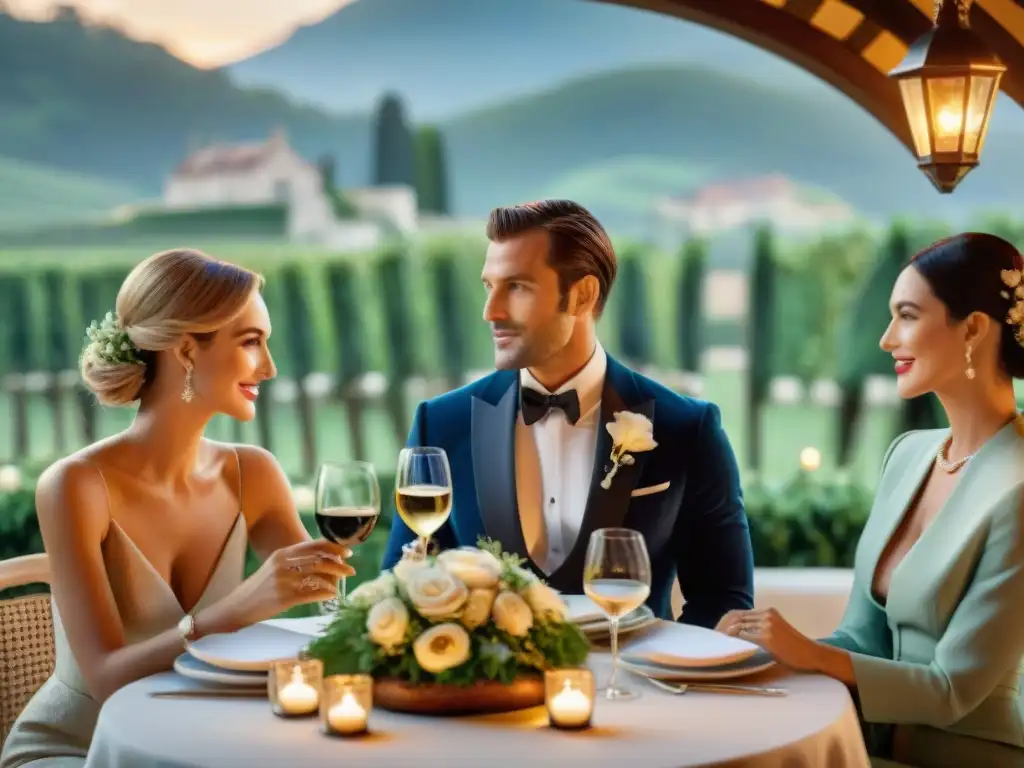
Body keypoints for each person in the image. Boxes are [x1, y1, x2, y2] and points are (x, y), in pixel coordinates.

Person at [1, 249, 352, 767]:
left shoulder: (251, 473)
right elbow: (106, 678)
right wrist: (240, 607)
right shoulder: (76, 485)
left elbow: (334, 601)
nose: (270, 367)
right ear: (187, 350)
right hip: (82, 750)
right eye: (252, 342)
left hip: (200, 743)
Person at [716, 232, 1024, 766]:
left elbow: (952, 690)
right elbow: (863, 637)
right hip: (870, 743)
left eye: (907, 315)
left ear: (972, 328)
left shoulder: (1017, 489)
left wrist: (808, 654)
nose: (885, 339)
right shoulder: (908, 454)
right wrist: (764, 653)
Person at [381, 200, 754, 626]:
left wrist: (659, 671)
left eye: (517, 287)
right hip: (490, 691)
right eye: (489, 286)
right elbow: (399, 587)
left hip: (635, 687)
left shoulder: (687, 428)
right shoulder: (441, 424)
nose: (491, 311)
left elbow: (725, 600)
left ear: (582, 294)